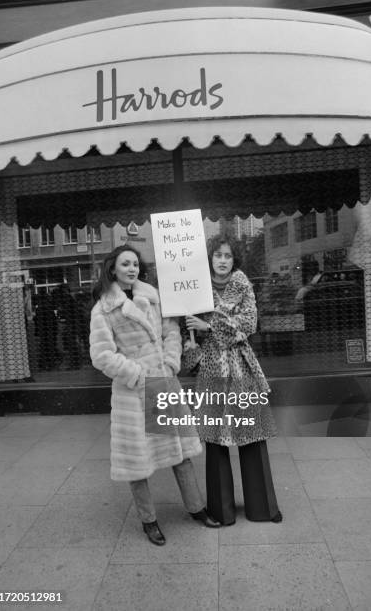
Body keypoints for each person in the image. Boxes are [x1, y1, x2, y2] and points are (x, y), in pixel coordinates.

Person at [89, 245, 220, 546]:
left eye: (135, 263)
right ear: (113, 269)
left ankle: (196, 508)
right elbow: (101, 355)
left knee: (180, 453)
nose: (132, 268)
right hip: (133, 390)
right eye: (125, 264)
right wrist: (136, 373)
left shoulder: (152, 297)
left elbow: (170, 331)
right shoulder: (103, 309)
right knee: (138, 461)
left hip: (163, 382)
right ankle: (149, 520)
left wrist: (171, 361)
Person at [184, 234, 282, 526]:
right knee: (216, 441)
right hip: (212, 368)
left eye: (227, 256)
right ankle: (220, 511)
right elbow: (187, 329)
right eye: (218, 256)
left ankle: (263, 508)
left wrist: (209, 324)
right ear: (210, 258)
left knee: (251, 434)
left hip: (241, 367)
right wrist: (193, 341)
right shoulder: (194, 288)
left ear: (233, 259)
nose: (223, 261)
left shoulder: (242, 284)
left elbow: (250, 323)